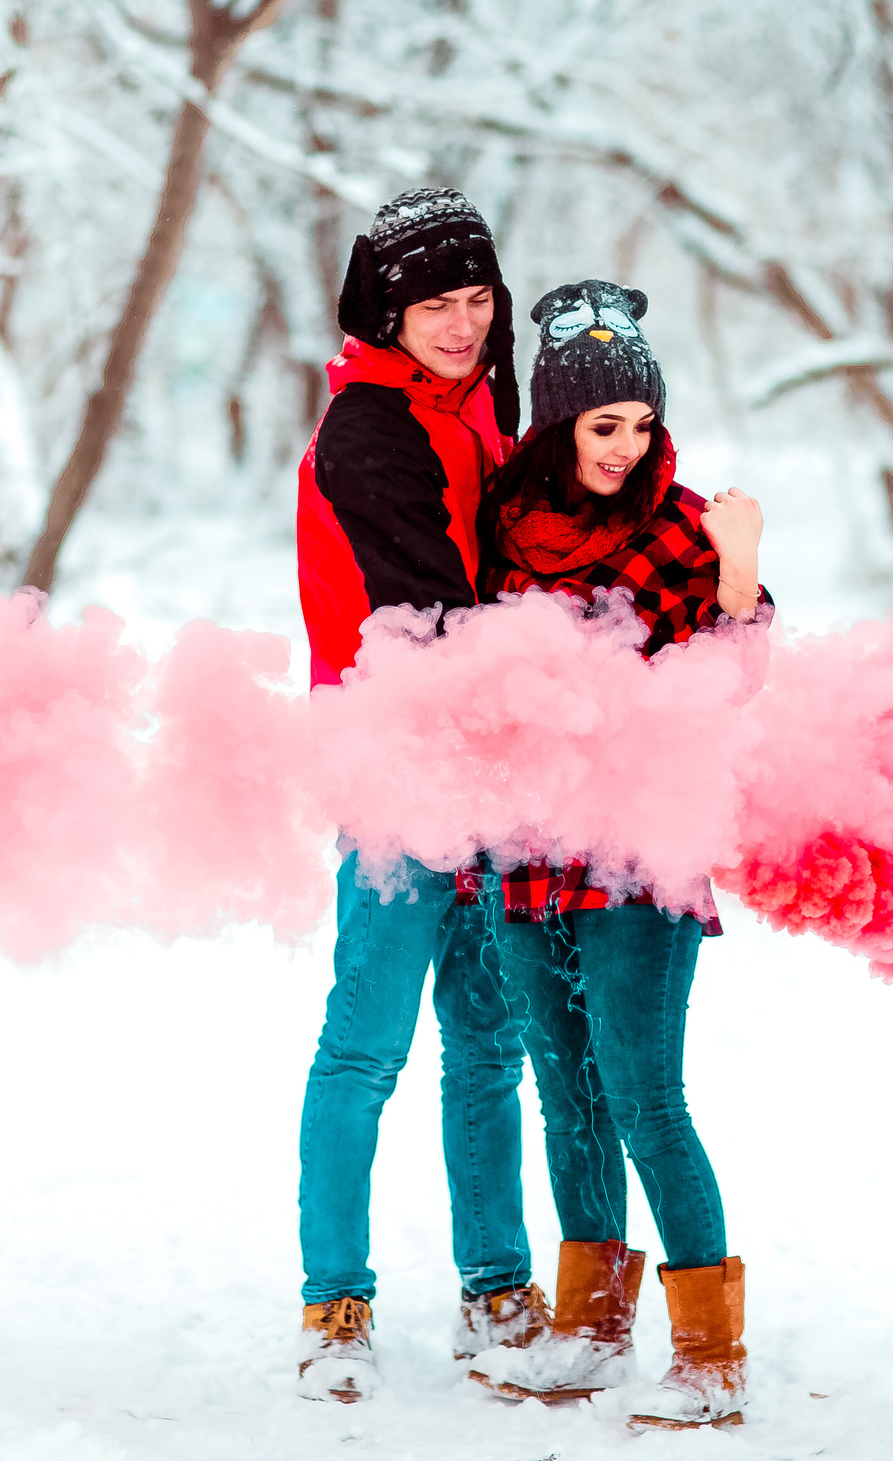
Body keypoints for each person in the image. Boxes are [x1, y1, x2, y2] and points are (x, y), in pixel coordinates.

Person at [460, 279, 767, 1431]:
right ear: (557, 424)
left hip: (637, 860)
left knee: (644, 1097)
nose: (626, 447)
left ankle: (711, 1358)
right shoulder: (504, 530)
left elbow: (735, 677)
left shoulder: (679, 524)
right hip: (529, 854)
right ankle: (591, 1334)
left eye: (641, 424)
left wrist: (739, 566)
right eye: (604, 425)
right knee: (566, 1096)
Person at [291, 189, 551, 1404]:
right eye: (435, 305)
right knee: (365, 1046)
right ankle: (334, 1300)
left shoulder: (478, 407)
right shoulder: (368, 431)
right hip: (397, 769)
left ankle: (496, 1285)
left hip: (490, 766)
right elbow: (438, 614)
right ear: (385, 315)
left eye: (477, 298)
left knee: (489, 1045)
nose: (461, 324)